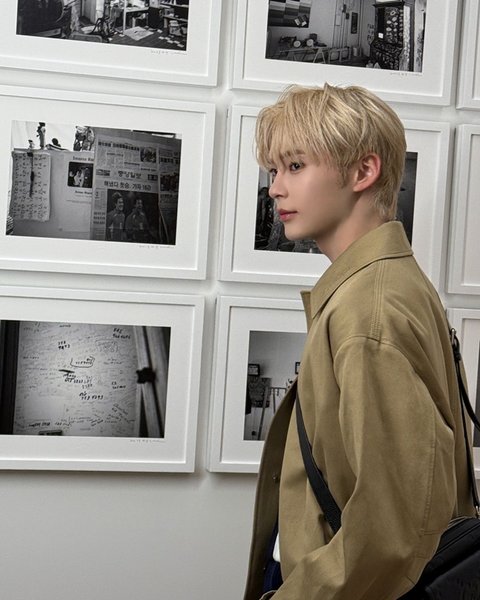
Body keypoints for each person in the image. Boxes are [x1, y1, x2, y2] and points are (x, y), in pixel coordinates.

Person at [243, 84, 474, 600]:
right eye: (274, 170)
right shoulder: (387, 284)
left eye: (295, 166)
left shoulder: (369, 309)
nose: (275, 188)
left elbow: (393, 529)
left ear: (363, 172)